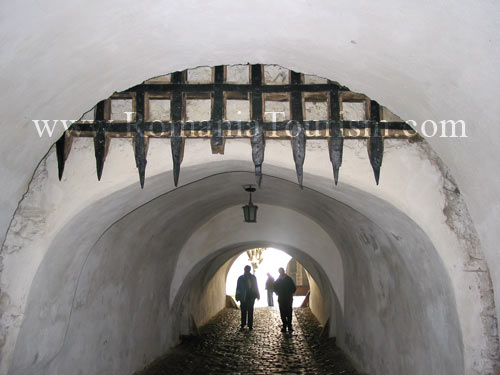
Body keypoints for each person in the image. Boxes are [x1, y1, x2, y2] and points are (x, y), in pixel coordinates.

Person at [235, 265, 260, 330]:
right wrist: (237, 296)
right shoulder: (241, 278)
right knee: (243, 311)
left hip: (251, 296)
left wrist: (257, 295)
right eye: (246, 270)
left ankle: (250, 325)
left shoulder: (253, 277)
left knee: (250, 311)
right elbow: (238, 288)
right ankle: (243, 324)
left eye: (248, 270)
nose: (247, 271)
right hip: (243, 297)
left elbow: (255, 286)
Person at [273, 267, 296, 332]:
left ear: (283, 271)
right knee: (282, 312)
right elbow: (274, 287)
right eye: (280, 271)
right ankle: (284, 325)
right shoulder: (278, 280)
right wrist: (277, 293)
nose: (281, 273)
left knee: (289, 312)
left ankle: (289, 326)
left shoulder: (288, 279)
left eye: (281, 271)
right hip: (281, 298)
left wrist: (290, 293)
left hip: (288, 298)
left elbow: (293, 288)